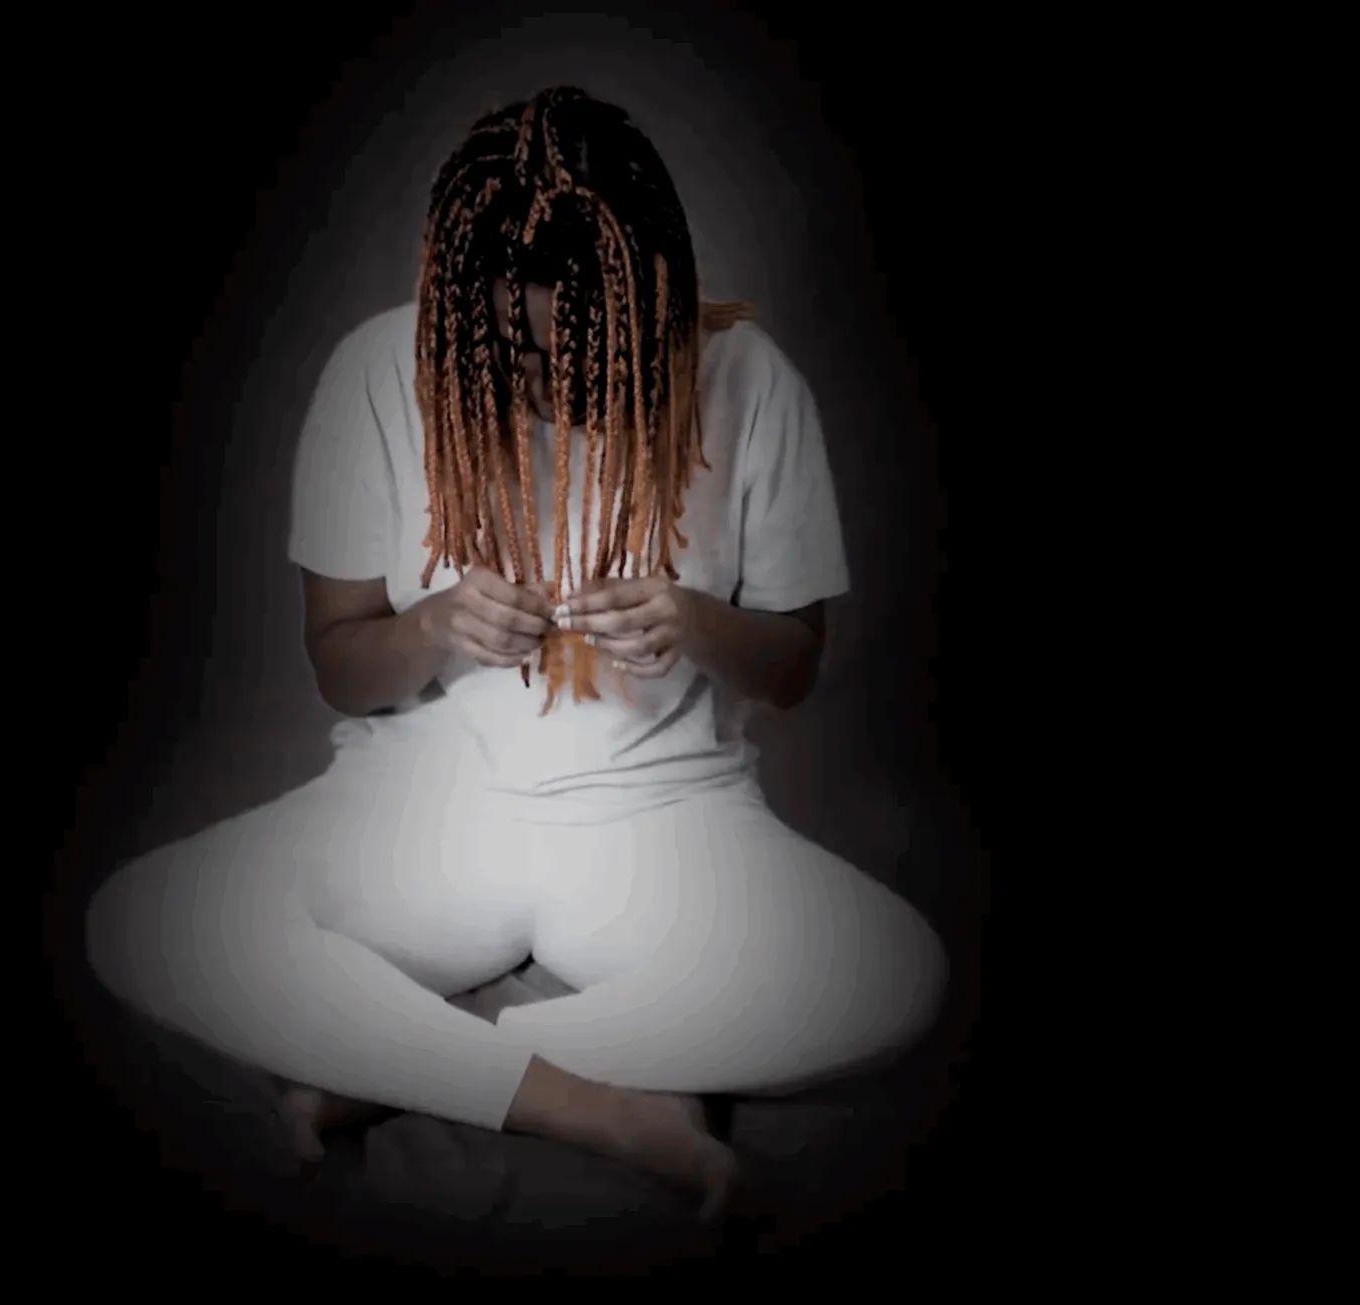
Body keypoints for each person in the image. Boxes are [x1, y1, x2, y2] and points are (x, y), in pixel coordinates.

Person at [86, 86, 944, 1220]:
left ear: (650, 302)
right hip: (423, 812)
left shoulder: (750, 377)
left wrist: (693, 619)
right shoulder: (375, 370)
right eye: (517, 348)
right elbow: (338, 664)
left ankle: (394, 1062)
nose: (552, 384)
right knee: (141, 922)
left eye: (589, 351)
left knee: (895, 976)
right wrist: (434, 625)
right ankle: (589, 1103)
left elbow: (792, 666)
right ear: (461, 310)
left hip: (666, 816)